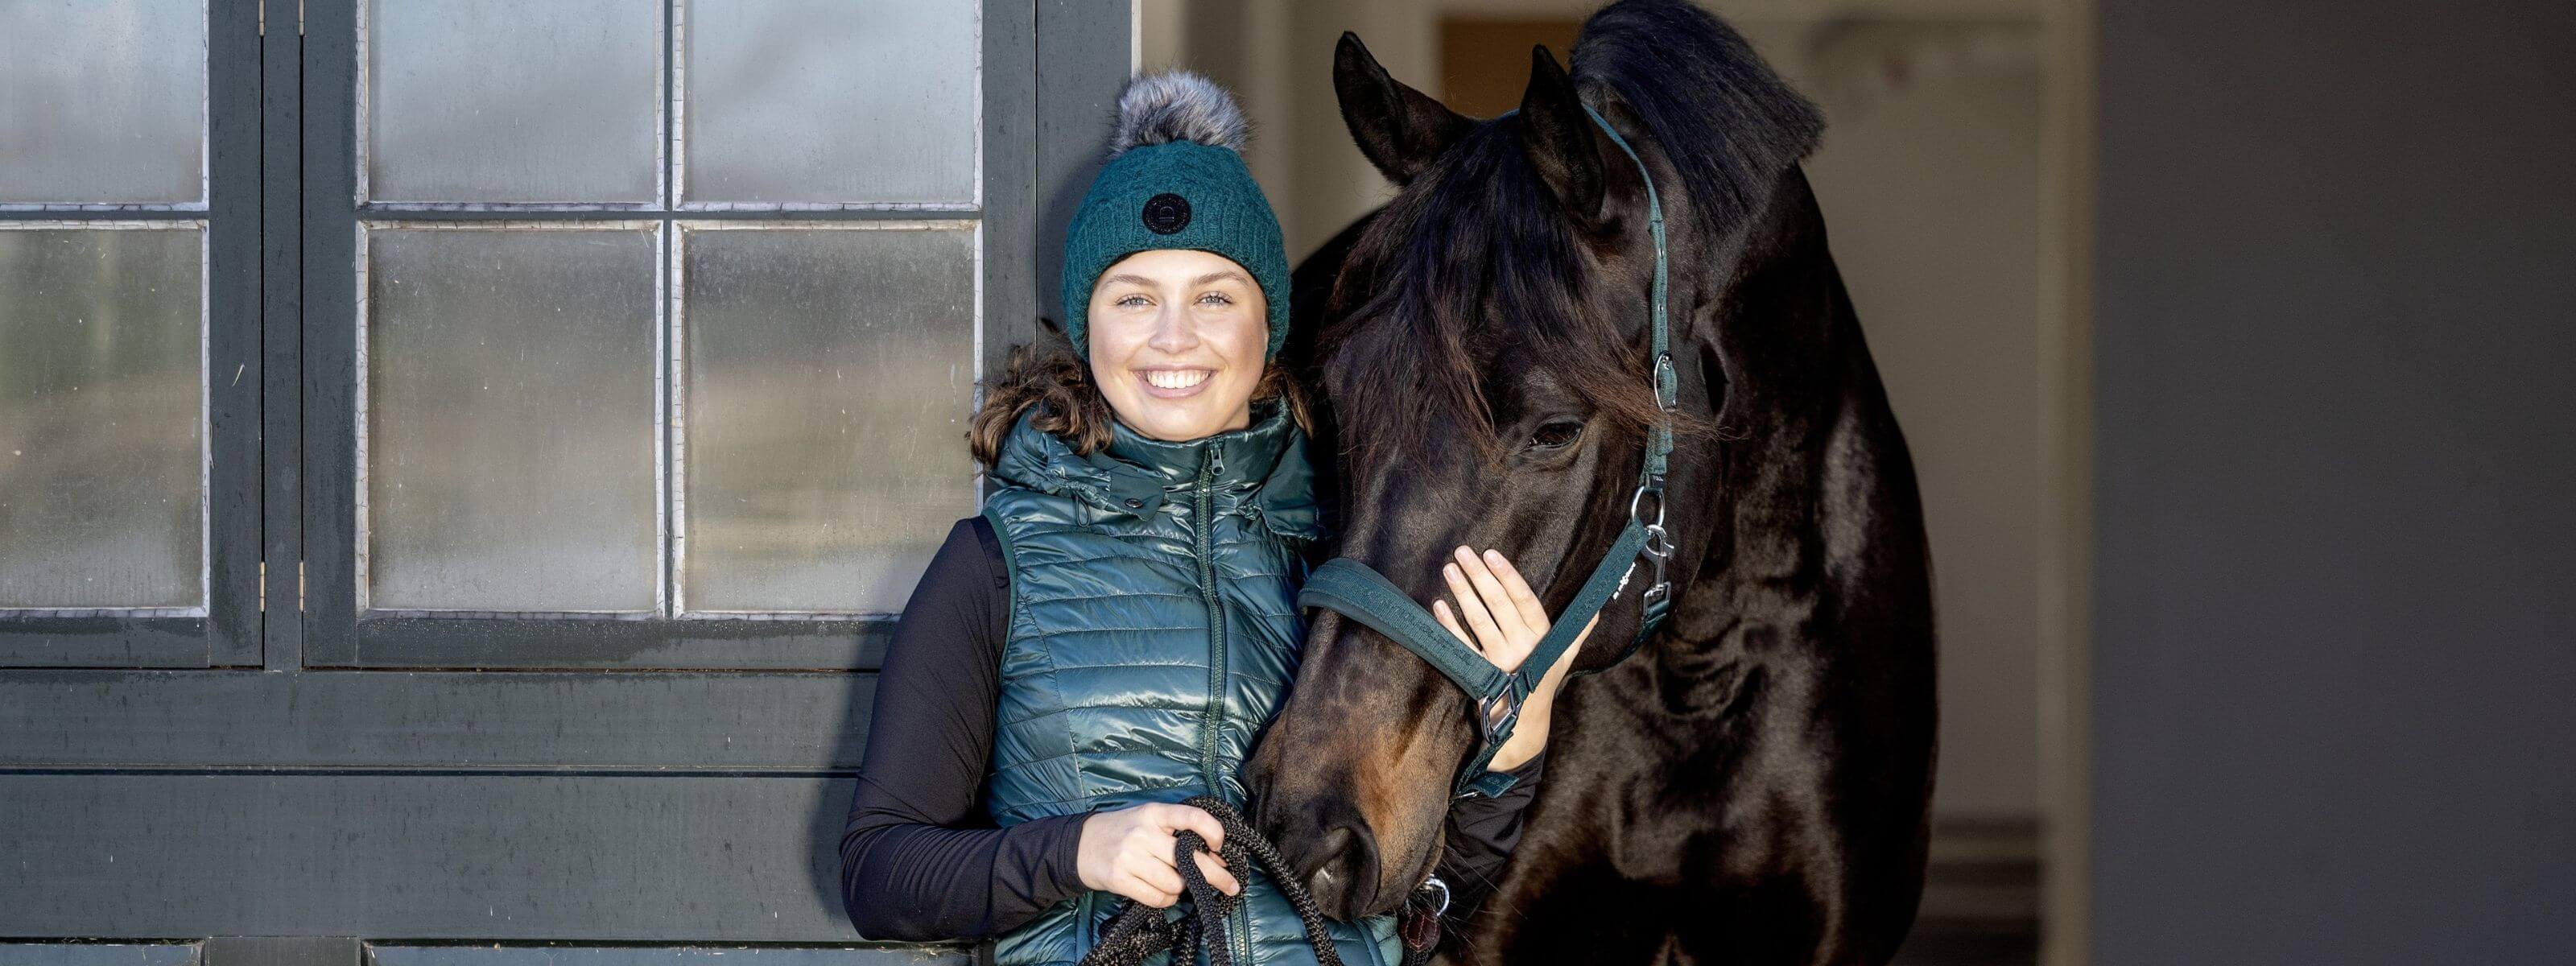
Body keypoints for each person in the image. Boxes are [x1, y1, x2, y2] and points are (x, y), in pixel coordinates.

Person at [836, 72, 1587, 966]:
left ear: (1266, 324)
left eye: (1215, 296)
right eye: (1133, 298)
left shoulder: (1350, 545)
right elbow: (880, 875)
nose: (1172, 338)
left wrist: (1517, 742)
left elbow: (1429, 895)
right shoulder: (997, 565)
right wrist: (1079, 851)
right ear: (1088, 327)